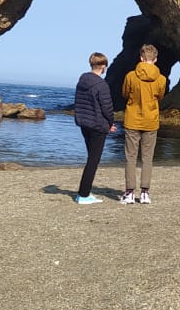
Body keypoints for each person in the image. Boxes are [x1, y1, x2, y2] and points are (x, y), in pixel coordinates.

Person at [120, 43, 168, 204]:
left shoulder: (130, 76)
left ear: (141, 58)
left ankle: (129, 192)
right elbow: (160, 96)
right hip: (151, 120)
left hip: (132, 119)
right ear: (155, 59)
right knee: (147, 158)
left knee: (130, 157)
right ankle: (145, 192)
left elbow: (125, 93)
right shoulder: (161, 79)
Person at [72, 52, 116, 204]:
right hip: (97, 125)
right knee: (93, 160)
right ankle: (83, 195)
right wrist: (110, 123)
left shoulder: (82, 80)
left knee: (91, 158)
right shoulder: (101, 85)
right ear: (103, 66)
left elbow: (79, 102)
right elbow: (107, 108)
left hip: (84, 123)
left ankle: (84, 193)